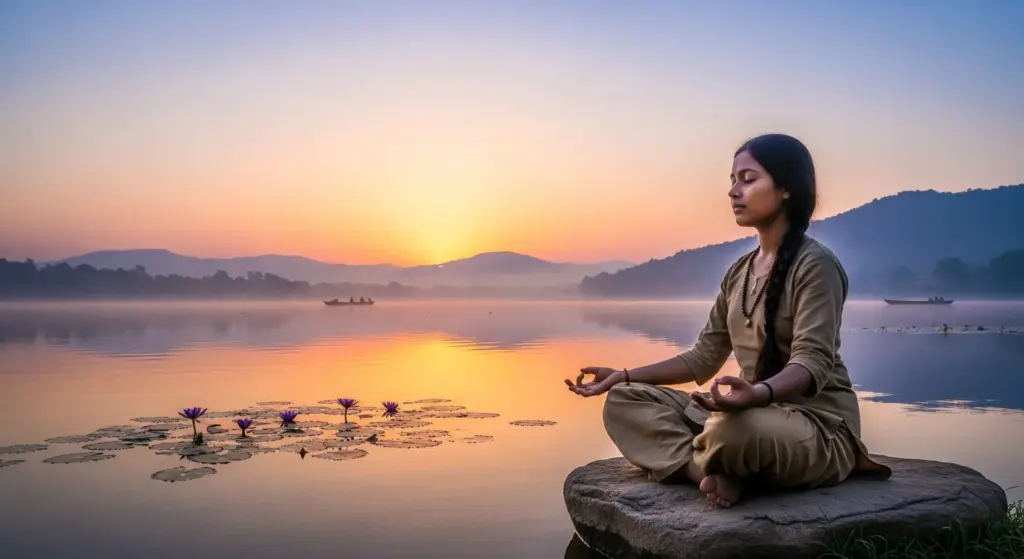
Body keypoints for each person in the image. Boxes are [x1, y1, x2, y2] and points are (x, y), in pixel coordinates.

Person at [565, 133, 891, 508]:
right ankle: (706, 472)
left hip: (816, 425)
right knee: (625, 402)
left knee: (732, 429)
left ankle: (718, 461)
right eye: (732, 181)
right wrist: (623, 376)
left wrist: (758, 394)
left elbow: (812, 361)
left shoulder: (815, 265)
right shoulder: (739, 272)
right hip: (750, 412)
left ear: (785, 188)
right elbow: (703, 356)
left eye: (748, 180)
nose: (734, 191)